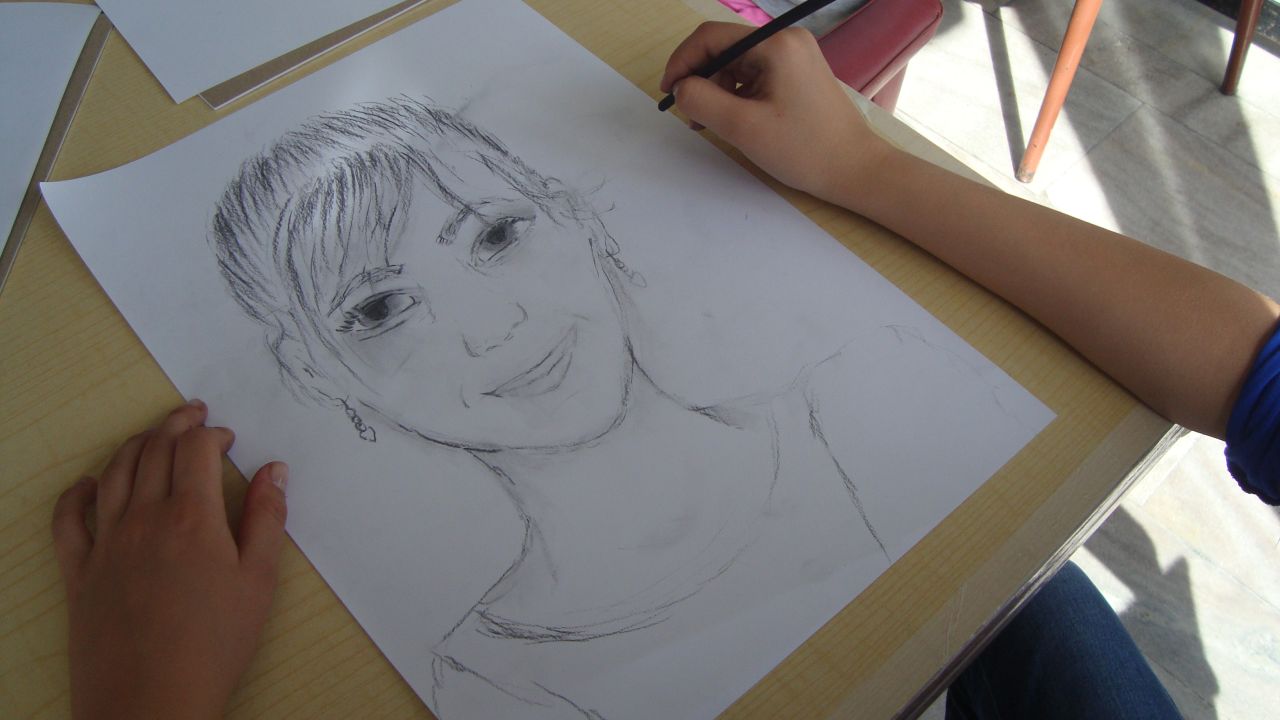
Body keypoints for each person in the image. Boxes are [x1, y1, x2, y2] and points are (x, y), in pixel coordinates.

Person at [51, 21, 1278, 720]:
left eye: (494, 233)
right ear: (319, 378)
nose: (489, 323)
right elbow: (1249, 367)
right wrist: (858, 166)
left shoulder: (862, 397)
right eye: (377, 308)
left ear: (577, 215)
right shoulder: (496, 674)